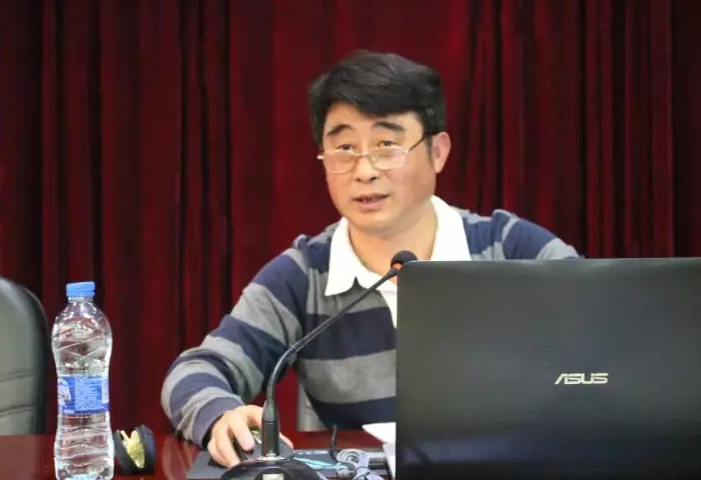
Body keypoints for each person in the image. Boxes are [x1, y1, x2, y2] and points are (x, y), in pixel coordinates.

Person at [160, 50, 580, 467]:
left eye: (386, 145)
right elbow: (197, 370)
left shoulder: (511, 249)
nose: (364, 171)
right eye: (344, 148)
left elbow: (605, 342)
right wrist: (220, 416)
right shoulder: (303, 276)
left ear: (437, 152)